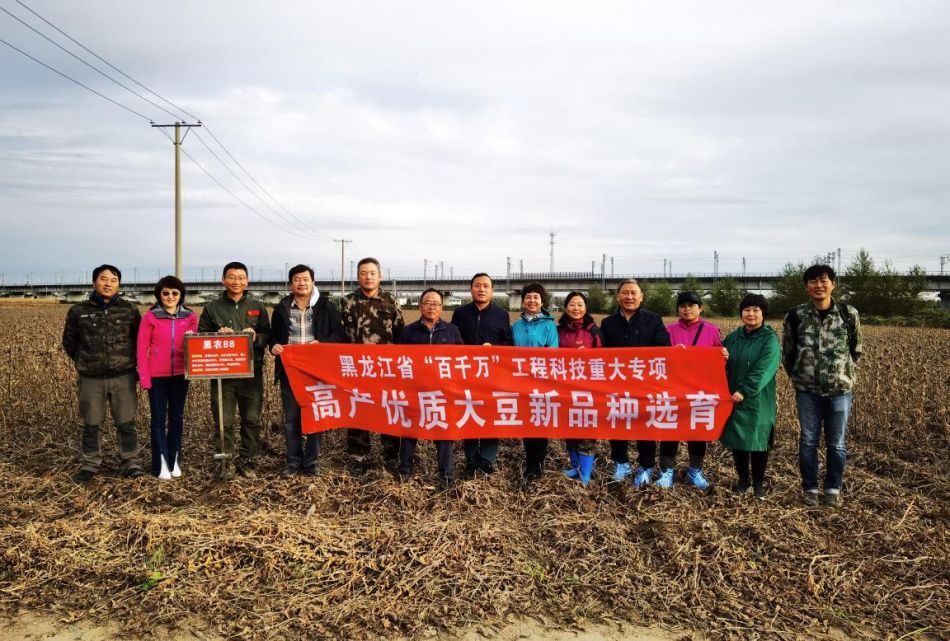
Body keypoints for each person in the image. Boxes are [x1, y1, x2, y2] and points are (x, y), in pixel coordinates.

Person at [782, 264, 862, 508]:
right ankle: (809, 488)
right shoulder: (795, 315)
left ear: (833, 284)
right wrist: (800, 376)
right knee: (808, 441)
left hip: (840, 391)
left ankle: (832, 488)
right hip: (807, 391)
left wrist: (843, 374)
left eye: (824, 280)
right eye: (813, 281)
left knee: (837, 443)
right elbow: (788, 352)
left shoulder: (848, 313)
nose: (819, 285)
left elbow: (856, 349)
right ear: (807, 286)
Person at [62, 264, 145, 483]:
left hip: (123, 376)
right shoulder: (78, 311)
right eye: (103, 279)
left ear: (119, 284)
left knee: (126, 423)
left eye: (113, 280)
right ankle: (90, 464)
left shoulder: (129, 310)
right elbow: (69, 342)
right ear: (94, 282)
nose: (108, 284)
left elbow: (139, 340)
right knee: (92, 424)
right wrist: (86, 361)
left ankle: (130, 463)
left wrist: (129, 363)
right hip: (91, 378)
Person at [269, 264, 344, 479]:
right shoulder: (282, 308)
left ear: (313, 282)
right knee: (291, 418)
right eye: (297, 279)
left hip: (317, 372)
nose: (301, 283)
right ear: (290, 284)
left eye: (305, 279)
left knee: (315, 415)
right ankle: (293, 462)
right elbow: (273, 335)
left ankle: (312, 462)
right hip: (290, 371)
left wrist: (322, 343)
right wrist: (273, 346)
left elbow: (339, 334)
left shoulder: (326, 307)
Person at [197, 262, 271, 479]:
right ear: (223, 280)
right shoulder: (212, 307)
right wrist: (217, 335)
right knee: (223, 420)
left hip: (251, 373)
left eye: (240, 277)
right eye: (231, 277)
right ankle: (225, 461)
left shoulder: (257, 305)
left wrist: (256, 337)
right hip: (223, 375)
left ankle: (248, 460)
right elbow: (201, 338)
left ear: (247, 281)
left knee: (251, 419)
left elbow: (268, 335)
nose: (236, 281)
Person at [599, 279, 671, 487]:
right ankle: (621, 463)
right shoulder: (608, 323)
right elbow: (600, 354)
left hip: (645, 385)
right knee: (617, 423)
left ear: (641, 297)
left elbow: (664, 350)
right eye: (625, 293)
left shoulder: (654, 320)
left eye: (633, 293)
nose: (629, 297)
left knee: (645, 425)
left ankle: (645, 467)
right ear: (618, 296)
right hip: (617, 383)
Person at [340, 257, 405, 471]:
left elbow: (400, 333)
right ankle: (358, 457)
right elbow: (340, 335)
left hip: (385, 369)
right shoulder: (347, 302)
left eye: (372, 273)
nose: (368, 277)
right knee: (358, 410)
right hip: (356, 368)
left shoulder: (390, 301)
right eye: (363, 273)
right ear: (357, 276)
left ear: (380, 276)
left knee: (389, 409)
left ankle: (391, 456)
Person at [397, 288, 464, 489]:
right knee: (409, 431)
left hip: (443, 392)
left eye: (436, 303)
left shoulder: (452, 331)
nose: (431, 307)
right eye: (427, 303)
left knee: (444, 433)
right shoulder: (408, 332)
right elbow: (398, 361)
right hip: (414, 391)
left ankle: (446, 476)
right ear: (420, 306)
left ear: (442, 307)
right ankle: (404, 470)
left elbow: (462, 360)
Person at [451, 273, 513, 477]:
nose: (481, 289)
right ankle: (471, 459)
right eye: (477, 285)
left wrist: (493, 348)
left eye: (486, 286)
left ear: (492, 290)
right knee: (470, 414)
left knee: (489, 415)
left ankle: (487, 459)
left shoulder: (501, 315)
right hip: (466, 374)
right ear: (471, 289)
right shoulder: (460, 314)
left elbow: (508, 344)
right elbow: (453, 341)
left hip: (492, 376)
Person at [136, 275, 198, 479]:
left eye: (174, 293)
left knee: (177, 417)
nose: (170, 297)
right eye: (166, 293)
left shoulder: (190, 317)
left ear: (181, 295)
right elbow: (141, 349)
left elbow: (195, 344)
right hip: (157, 376)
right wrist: (145, 378)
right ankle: (160, 464)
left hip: (181, 374)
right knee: (158, 419)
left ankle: (174, 460)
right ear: (159, 295)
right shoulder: (150, 317)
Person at [661, 291, 724, 490]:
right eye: (682, 306)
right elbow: (658, 357)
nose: (687, 309)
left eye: (691, 305)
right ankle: (666, 471)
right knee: (670, 429)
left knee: (697, 431)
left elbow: (719, 358)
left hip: (700, 389)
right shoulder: (668, 331)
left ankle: (695, 471)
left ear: (700, 308)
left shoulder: (711, 331)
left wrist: (723, 355)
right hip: (673, 387)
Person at [721, 294, 780, 500]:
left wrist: (745, 390)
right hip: (733, 397)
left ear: (763, 314)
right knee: (738, 440)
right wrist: (721, 356)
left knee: (758, 442)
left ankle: (758, 484)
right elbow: (717, 358)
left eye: (756, 310)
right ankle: (743, 480)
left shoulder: (769, 339)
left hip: (758, 400)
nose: (751, 314)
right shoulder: (734, 337)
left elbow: (764, 369)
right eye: (747, 310)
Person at [511, 282, 559, 481]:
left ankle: (537, 465)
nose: (532, 301)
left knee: (539, 421)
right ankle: (530, 461)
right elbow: (509, 352)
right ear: (523, 301)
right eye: (528, 297)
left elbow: (553, 352)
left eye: (536, 297)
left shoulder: (549, 325)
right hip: (521, 382)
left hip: (541, 382)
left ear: (542, 301)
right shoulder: (516, 326)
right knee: (527, 423)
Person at [556, 291, 603, 486]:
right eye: (572, 304)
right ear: (566, 307)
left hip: (587, 390)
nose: (576, 308)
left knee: (586, 431)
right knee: (569, 428)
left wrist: (589, 356)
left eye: (580, 304)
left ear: (586, 308)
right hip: (564, 389)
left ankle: (585, 473)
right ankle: (575, 467)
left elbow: (604, 359)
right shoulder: (558, 331)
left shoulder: (594, 331)